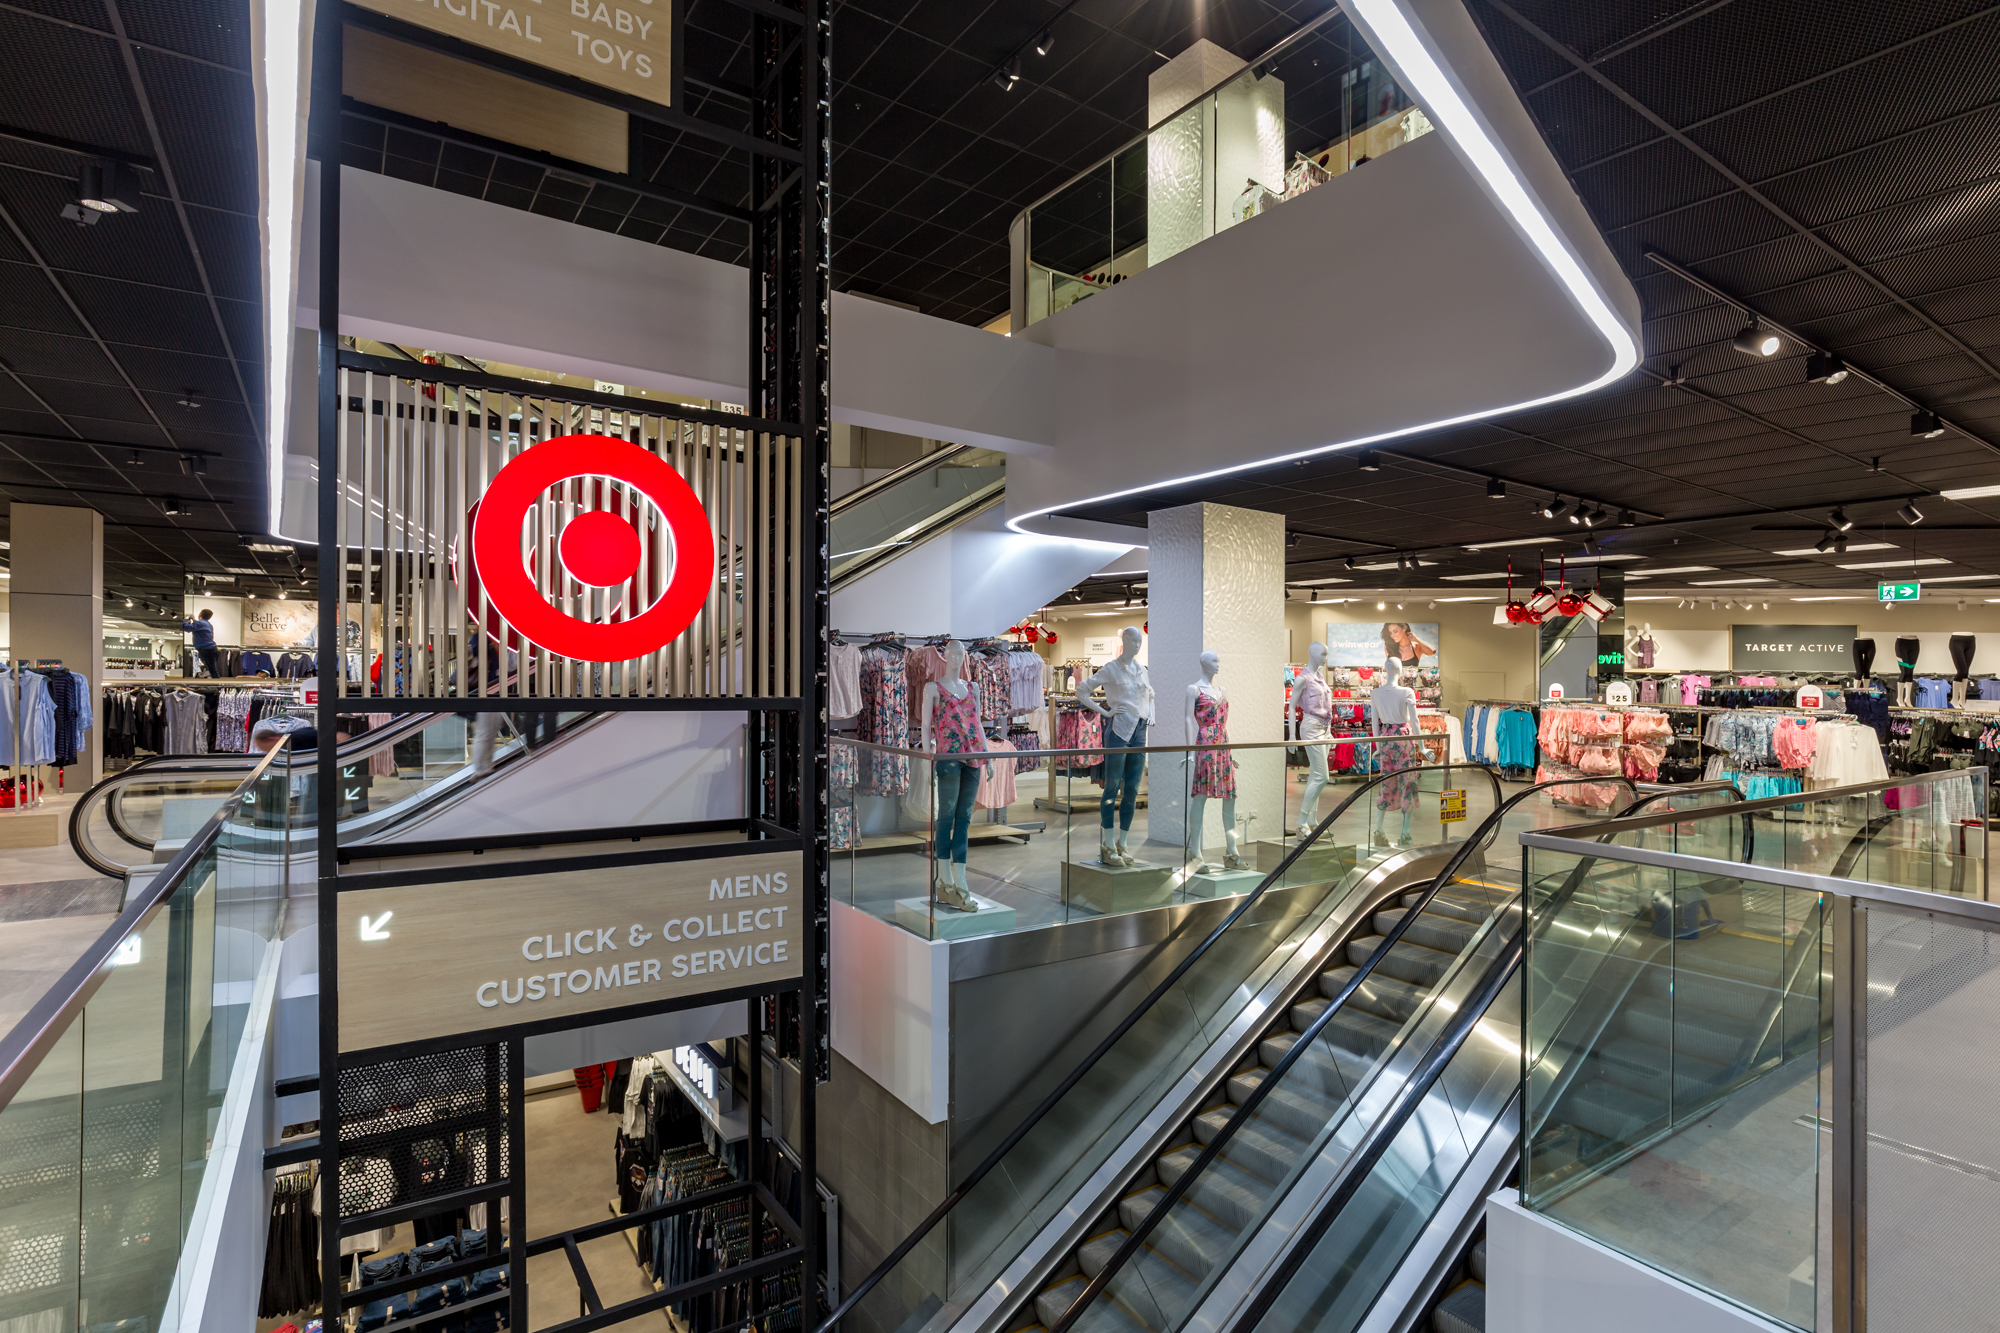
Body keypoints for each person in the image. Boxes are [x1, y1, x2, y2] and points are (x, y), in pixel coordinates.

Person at [184, 608, 220, 679]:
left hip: (206, 650)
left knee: (212, 671)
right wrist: (193, 620)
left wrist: (185, 620)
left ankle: (218, 686)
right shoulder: (207, 624)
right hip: (210, 649)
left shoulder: (200, 623)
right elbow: (197, 626)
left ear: (200, 614)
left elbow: (186, 628)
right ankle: (217, 685)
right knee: (211, 670)